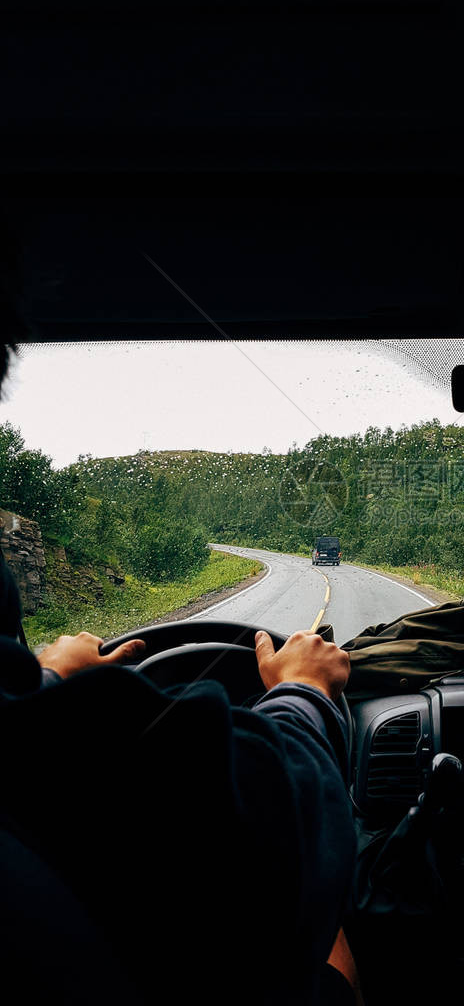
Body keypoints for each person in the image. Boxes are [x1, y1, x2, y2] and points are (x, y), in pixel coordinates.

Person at [0, 346, 362, 1005]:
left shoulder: (31, 726)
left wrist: (45, 681)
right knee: (327, 931)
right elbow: (291, 828)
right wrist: (303, 693)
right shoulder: (88, 742)